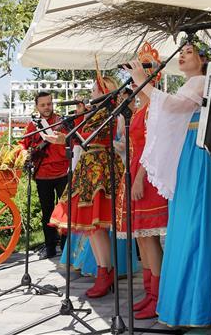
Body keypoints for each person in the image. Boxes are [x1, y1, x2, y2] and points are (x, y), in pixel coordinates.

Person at [132, 39, 211, 328]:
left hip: (199, 156)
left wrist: (143, 84)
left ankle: (198, 310)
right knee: (188, 225)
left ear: (203, 59)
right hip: (190, 154)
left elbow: (172, 107)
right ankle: (190, 307)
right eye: (182, 52)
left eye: (189, 52)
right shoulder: (192, 84)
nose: (183, 56)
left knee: (196, 224)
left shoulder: (201, 81)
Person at [49, 75, 125, 298]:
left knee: (96, 227)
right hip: (90, 167)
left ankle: (106, 271)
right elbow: (81, 139)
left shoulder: (109, 114)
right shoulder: (95, 113)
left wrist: (68, 134)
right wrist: (64, 137)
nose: (91, 93)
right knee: (92, 228)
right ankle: (104, 271)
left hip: (100, 168)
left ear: (104, 91)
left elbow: (89, 137)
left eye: (94, 89)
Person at [115, 44, 169, 320]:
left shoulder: (154, 110)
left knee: (150, 240)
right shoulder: (139, 110)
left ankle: (157, 296)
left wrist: (138, 179)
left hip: (147, 177)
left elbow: (153, 147)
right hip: (136, 173)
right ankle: (149, 293)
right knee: (142, 241)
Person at [19, 91, 70, 260]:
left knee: (65, 212)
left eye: (49, 104)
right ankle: (49, 247)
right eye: (43, 105)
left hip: (63, 172)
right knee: (47, 211)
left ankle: (65, 246)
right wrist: (24, 153)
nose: (46, 107)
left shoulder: (62, 122)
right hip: (42, 175)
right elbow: (23, 145)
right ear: (37, 107)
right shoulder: (33, 125)